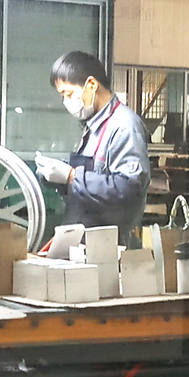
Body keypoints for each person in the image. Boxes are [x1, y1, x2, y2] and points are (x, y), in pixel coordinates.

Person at [35, 51, 150, 246]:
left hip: (107, 247)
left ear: (91, 85)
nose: (65, 102)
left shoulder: (124, 126)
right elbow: (93, 182)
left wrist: (72, 176)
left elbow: (128, 189)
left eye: (68, 94)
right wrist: (57, 178)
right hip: (83, 242)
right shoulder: (94, 127)